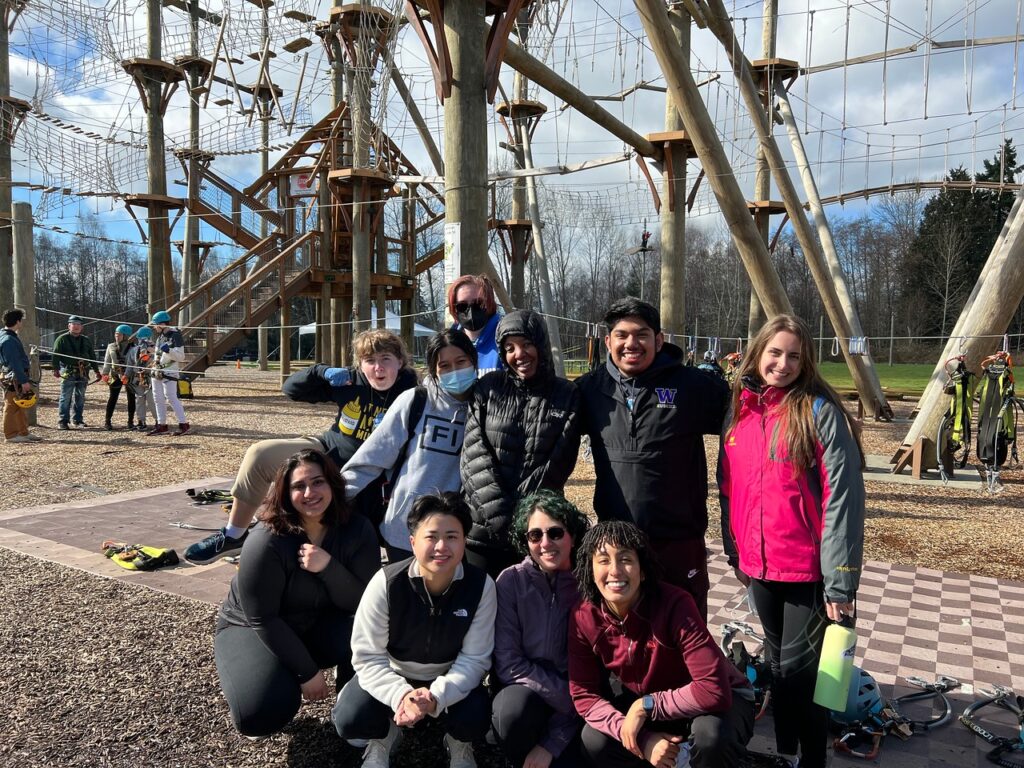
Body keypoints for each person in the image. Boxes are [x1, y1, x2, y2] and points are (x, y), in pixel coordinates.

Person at [719, 314, 865, 768]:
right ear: (757, 353)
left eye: (794, 356)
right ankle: (785, 752)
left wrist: (840, 582)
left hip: (808, 571)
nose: (782, 364)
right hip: (759, 567)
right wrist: (734, 549)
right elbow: (728, 489)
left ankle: (813, 759)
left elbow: (844, 498)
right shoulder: (740, 412)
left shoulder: (819, 412)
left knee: (807, 675)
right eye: (775, 353)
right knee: (779, 668)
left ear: (806, 362)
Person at [185, 329, 417, 565]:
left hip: (375, 473)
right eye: (370, 361)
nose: (378, 368)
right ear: (360, 364)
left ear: (400, 361)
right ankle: (234, 535)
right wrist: (321, 371)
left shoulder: (413, 391)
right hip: (327, 452)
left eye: (385, 359)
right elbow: (291, 389)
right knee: (259, 454)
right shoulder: (351, 381)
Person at [575, 297, 729, 619]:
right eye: (622, 335)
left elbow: (748, 417)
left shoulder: (691, 386)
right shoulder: (589, 389)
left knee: (685, 635)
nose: (632, 343)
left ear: (659, 340)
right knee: (626, 638)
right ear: (608, 341)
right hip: (616, 543)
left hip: (677, 542)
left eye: (642, 334)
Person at [215, 449, 381, 737]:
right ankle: (274, 678)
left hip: (319, 618)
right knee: (259, 712)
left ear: (332, 484)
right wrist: (307, 673)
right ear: (284, 492)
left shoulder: (357, 529)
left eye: (318, 482)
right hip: (254, 626)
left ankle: (353, 704)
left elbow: (364, 601)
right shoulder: (266, 540)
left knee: (371, 628)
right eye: (298, 486)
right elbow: (264, 618)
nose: (310, 492)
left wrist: (328, 567)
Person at [568, 520, 754, 768]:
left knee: (711, 736)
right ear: (590, 571)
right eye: (603, 560)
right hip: (651, 710)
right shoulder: (583, 616)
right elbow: (584, 695)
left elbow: (712, 689)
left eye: (625, 559)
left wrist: (647, 706)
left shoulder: (676, 603)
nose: (614, 570)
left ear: (642, 570)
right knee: (594, 740)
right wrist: (643, 739)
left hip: (717, 702)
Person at [332, 492, 495, 768]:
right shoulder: (386, 583)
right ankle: (384, 736)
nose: (442, 546)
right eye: (431, 536)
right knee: (351, 718)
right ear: (412, 542)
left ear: (464, 541)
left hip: (448, 673)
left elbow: (476, 658)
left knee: (477, 715)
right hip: (396, 672)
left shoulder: (481, 586)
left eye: (452, 536)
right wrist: (401, 695)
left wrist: (437, 696)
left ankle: (458, 742)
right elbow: (367, 655)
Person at [460, 310, 581, 577]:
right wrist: (504, 520)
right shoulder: (488, 388)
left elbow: (559, 462)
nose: (520, 354)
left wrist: (525, 519)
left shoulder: (565, 394)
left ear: (540, 344)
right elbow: (474, 458)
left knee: (531, 611)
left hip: (537, 532)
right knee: (482, 609)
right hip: (482, 531)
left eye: (527, 344)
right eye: (510, 347)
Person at [342, 329, 475, 564]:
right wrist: (332, 497)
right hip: (404, 531)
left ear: (473, 361)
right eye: (444, 365)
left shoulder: (485, 407)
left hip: (455, 534)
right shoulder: (415, 401)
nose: (454, 371)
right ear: (434, 369)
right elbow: (371, 458)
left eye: (461, 361)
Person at [491, 490, 590, 768]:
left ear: (572, 535)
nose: (545, 543)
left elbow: (593, 672)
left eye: (555, 533)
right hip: (535, 693)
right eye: (535, 535)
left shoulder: (589, 586)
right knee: (510, 712)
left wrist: (553, 741)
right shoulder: (510, 582)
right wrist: (568, 698)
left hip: (579, 704)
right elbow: (509, 663)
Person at [52, 314, 100, 430]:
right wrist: (55, 369)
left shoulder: (86, 340)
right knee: (65, 397)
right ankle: (63, 421)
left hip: (83, 372)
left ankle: (78, 420)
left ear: (82, 327)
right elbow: (56, 355)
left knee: (80, 397)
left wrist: (97, 371)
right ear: (69, 326)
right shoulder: (62, 339)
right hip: (68, 371)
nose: (76, 326)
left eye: (79, 324)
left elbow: (92, 356)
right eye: (74, 324)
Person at [447, 274, 502, 376]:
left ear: (489, 303)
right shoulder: (448, 344)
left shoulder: (505, 340)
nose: (471, 311)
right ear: (454, 309)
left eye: (478, 304)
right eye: (462, 306)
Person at [0, 308, 41, 443]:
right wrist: (23, 381)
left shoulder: (6, 336)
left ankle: (23, 432)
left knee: (20, 404)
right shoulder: (8, 340)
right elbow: (15, 362)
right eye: (21, 320)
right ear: (17, 322)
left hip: (14, 375)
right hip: (14, 376)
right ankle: (11, 435)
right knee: (11, 405)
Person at [146, 310, 190, 436]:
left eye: (156, 324)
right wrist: (151, 349)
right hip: (158, 370)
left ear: (162, 324)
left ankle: (183, 424)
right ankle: (162, 424)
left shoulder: (175, 335)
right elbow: (160, 353)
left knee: (171, 397)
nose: (154, 327)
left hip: (169, 371)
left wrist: (169, 350)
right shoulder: (160, 336)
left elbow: (180, 357)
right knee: (157, 398)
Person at [101, 324, 137, 431]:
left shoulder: (133, 348)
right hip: (115, 375)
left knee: (131, 398)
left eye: (120, 334)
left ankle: (130, 422)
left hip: (129, 375)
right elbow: (107, 361)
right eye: (116, 334)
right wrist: (105, 373)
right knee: (113, 398)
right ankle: (107, 421)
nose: (117, 336)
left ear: (126, 336)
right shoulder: (111, 346)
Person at [126, 326, 157, 431]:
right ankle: (141, 420)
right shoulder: (133, 350)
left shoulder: (155, 349)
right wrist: (126, 375)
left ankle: (158, 420)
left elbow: (159, 362)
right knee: (139, 400)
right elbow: (130, 365)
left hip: (150, 378)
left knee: (151, 400)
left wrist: (152, 353)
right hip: (138, 378)